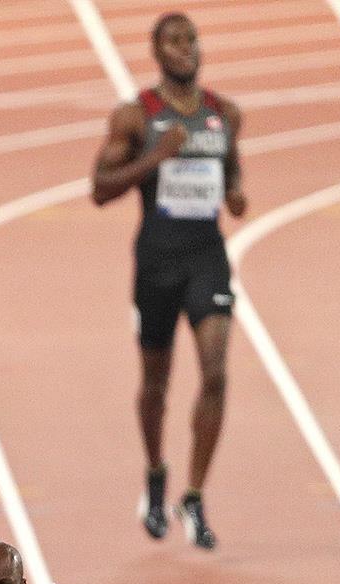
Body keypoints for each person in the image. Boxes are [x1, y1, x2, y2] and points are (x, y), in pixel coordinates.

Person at [90, 11, 244, 550]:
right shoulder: (136, 116)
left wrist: (236, 194)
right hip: (156, 260)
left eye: (192, 39)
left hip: (207, 256)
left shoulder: (224, 113)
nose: (187, 49)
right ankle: (156, 472)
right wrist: (155, 157)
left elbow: (232, 173)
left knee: (217, 372)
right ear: (157, 53)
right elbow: (100, 188)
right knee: (156, 381)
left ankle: (195, 495)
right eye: (174, 42)